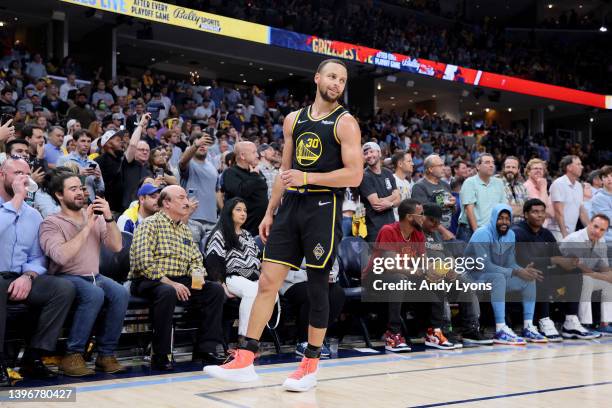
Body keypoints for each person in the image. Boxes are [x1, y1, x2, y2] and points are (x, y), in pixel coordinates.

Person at [205, 59, 363, 392]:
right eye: (332, 76)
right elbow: (285, 170)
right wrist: (269, 211)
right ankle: (246, 358)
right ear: (317, 78)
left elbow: (355, 174)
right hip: (291, 206)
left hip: (324, 206)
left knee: (319, 285)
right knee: (267, 281)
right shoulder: (294, 119)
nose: (337, 83)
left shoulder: (346, 123)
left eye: (343, 80)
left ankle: (309, 365)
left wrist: (309, 177)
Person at [129, 185, 226, 370]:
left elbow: (196, 259)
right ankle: (161, 354)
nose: (187, 202)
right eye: (181, 198)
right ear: (166, 203)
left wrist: (197, 281)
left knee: (214, 290)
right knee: (167, 292)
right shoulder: (150, 224)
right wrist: (171, 283)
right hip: (149, 280)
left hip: (179, 279)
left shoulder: (184, 229)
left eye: (186, 198)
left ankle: (205, 350)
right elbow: (144, 263)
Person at [39, 172, 127, 376]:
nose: (80, 192)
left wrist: (108, 217)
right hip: (65, 277)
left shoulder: (96, 217)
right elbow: (60, 257)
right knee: (94, 293)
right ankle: (72, 355)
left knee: (121, 292)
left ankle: (106, 355)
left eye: (81, 188)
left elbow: (116, 246)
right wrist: (87, 226)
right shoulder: (51, 223)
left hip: (94, 276)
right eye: (73, 189)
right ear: (59, 195)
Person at [0, 158, 75, 385]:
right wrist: (17, 200)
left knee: (63, 288)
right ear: (2, 175)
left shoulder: (32, 215)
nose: (23, 179)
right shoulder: (16, 205)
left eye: (26, 174)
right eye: (17, 173)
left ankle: (34, 356)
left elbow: (37, 257)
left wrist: (28, 276)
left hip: (19, 277)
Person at [512, 198, 599, 341]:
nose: (540, 215)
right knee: (541, 271)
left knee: (574, 271)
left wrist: (570, 261)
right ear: (525, 215)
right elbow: (523, 260)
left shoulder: (545, 233)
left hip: (543, 274)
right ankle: (543, 320)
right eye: (535, 212)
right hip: (521, 274)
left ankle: (570, 321)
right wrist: (554, 260)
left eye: (542, 212)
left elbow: (558, 255)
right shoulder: (517, 232)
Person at [465, 204, 547, 345]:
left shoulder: (510, 235)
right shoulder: (482, 233)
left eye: (507, 219)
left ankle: (528, 326)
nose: (504, 222)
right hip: (472, 277)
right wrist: (515, 271)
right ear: (494, 218)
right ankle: (500, 329)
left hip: (496, 277)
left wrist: (524, 271)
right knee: (499, 277)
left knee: (528, 279)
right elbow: (484, 265)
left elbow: (510, 263)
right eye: (501, 218)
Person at [421, 203, 490, 347]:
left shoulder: (436, 234)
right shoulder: (416, 233)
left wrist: (451, 267)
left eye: (438, 221)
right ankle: (444, 329)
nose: (436, 224)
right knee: (440, 283)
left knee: (466, 284)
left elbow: (449, 255)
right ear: (422, 217)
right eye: (432, 220)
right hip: (427, 274)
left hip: (444, 271)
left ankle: (470, 330)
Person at [362, 199, 424, 352]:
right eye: (421, 214)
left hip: (402, 276)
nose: (424, 217)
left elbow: (423, 264)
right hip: (375, 277)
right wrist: (413, 271)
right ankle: (393, 334)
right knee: (398, 279)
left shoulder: (418, 234)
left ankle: (434, 330)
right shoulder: (388, 230)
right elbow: (389, 266)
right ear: (410, 217)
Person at [204, 198, 262, 339]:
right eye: (238, 210)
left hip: (254, 279)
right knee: (252, 291)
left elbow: (258, 260)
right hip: (233, 278)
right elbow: (213, 263)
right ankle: (244, 339)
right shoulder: (220, 234)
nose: (243, 213)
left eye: (245, 210)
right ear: (229, 212)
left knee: (271, 294)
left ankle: (256, 337)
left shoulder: (248, 235)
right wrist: (221, 284)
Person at [281, 259, 345, 358]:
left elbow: (334, 265)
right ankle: (305, 342)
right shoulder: (289, 243)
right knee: (315, 293)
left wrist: (330, 275)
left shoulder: (326, 243)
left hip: (319, 280)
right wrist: (311, 276)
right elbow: (282, 270)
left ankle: (318, 337)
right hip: (291, 282)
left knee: (338, 294)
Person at [560, 214, 612, 335]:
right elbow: (581, 268)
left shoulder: (601, 241)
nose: (597, 231)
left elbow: (603, 266)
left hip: (586, 275)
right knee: (586, 279)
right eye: (595, 226)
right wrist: (604, 276)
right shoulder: (575, 239)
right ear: (589, 224)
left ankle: (605, 323)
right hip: (565, 278)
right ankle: (584, 323)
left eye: (602, 229)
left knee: (609, 284)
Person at [222, 141, 269, 236]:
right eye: (254, 152)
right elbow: (240, 192)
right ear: (242, 156)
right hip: (242, 231)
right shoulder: (230, 173)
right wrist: (254, 175)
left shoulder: (256, 172)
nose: (257, 155)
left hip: (261, 227)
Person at [457, 153, 506, 242]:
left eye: (493, 163)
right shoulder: (470, 182)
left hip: (492, 231)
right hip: (470, 230)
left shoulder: (499, 183)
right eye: (487, 162)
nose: (491, 165)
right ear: (478, 166)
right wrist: (478, 234)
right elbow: (469, 210)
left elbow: (502, 208)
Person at [359, 142, 400, 242]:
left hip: (392, 226)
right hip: (375, 230)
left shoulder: (388, 173)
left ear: (379, 153)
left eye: (371, 151)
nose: (369, 155)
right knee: (381, 257)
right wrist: (393, 196)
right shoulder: (364, 176)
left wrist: (390, 203)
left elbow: (399, 199)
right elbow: (377, 205)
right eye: (365, 153)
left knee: (393, 257)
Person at [179, 133, 218, 231]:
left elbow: (217, 193)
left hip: (212, 219)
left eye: (204, 143)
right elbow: (182, 162)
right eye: (199, 143)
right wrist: (196, 145)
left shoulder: (212, 166)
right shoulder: (189, 163)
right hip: (192, 218)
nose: (202, 145)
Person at [547, 155, 590, 240]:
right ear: (569, 167)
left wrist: (591, 229)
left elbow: (581, 211)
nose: (582, 167)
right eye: (578, 164)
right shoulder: (558, 184)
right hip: (557, 232)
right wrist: (564, 234)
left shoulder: (579, 186)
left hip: (571, 232)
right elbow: (558, 211)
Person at [411, 154, 455, 236]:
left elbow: (452, 211)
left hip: (448, 230)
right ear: (430, 169)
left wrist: (453, 204)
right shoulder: (419, 187)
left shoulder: (446, 185)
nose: (443, 168)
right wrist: (444, 231)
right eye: (440, 165)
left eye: (443, 165)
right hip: (430, 234)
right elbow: (423, 215)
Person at [57, 130, 105, 201]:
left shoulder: (94, 164)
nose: (86, 144)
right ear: (75, 142)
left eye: (89, 141)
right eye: (83, 141)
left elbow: (101, 189)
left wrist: (98, 179)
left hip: (90, 204)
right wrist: (78, 175)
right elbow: (57, 182)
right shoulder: (64, 160)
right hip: (71, 202)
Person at [120, 113, 152, 211]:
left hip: (144, 212)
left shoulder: (149, 170)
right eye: (141, 149)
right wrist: (141, 125)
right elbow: (133, 144)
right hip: (127, 210)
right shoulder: (128, 163)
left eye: (147, 150)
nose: (145, 152)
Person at [95, 130, 125, 214]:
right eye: (118, 140)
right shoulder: (98, 161)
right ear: (108, 143)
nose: (121, 143)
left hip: (122, 209)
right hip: (107, 210)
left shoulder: (121, 161)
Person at [499, 156, 528, 222]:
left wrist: (513, 208)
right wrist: (521, 209)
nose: (510, 170)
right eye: (508, 167)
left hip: (522, 226)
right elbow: (502, 209)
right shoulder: (497, 184)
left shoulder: (522, 187)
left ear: (518, 170)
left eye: (513, 167)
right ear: (503, 168)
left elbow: (528, 209)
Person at [591, 165, 612, 242]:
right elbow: (609, 220)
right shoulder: (598, 198)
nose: (609, 179)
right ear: (602, 180)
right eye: (605, 176)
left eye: (611, 176)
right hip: (607, 239)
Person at [391, 151, 413, 221]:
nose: (412, 164)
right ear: (400, 164)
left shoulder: (407, 183)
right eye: (409, 161)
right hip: (394, 223)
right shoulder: (391, 180)